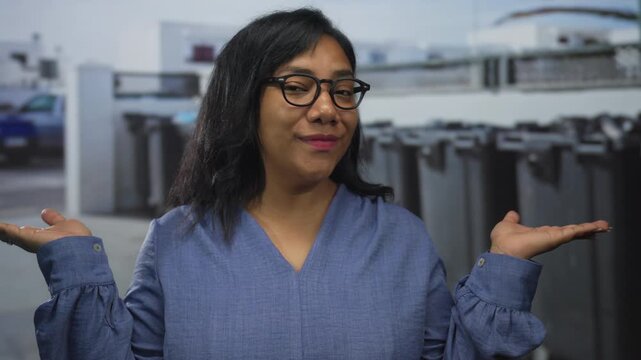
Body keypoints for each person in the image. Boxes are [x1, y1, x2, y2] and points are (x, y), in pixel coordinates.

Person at [0, 8, 609, 360]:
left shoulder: (399, 238)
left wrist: (501, 271)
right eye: (298, 85)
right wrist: (78, 268)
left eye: (343, 88)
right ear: (244, 101)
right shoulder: (177, 242)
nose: (327, 109)